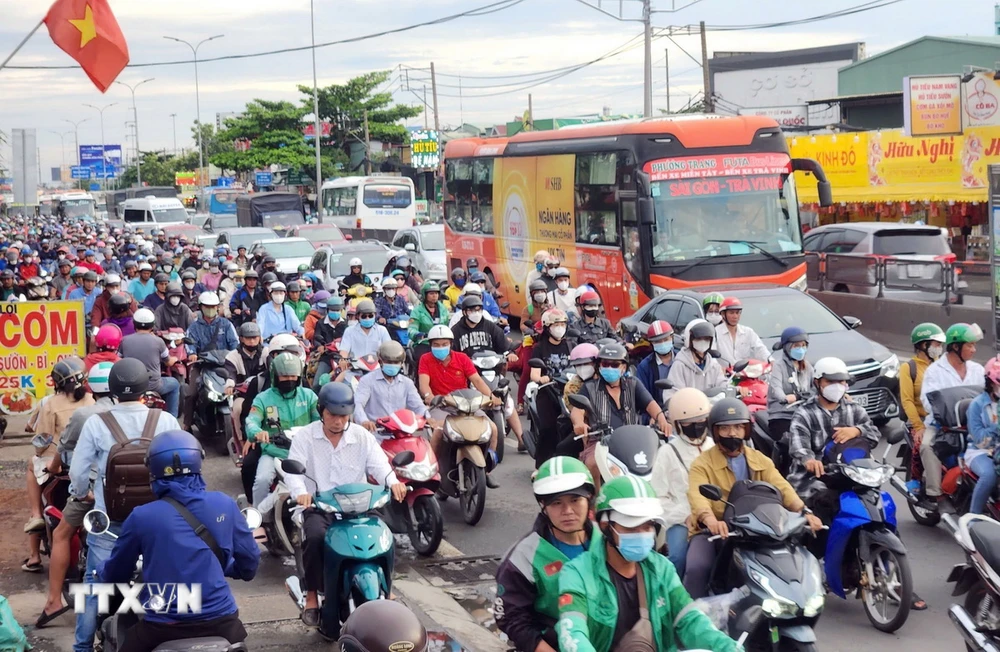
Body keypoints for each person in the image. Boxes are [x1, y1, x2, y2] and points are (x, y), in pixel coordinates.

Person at [97, 430, 259, 652]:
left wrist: (102, 573)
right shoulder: (225, 504)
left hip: (163, 627)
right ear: (198, 462)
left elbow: (117, 574)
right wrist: (230, 568)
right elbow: (249, 564)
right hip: (222, 623)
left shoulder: (141, 516)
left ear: (152, 471)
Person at [68, 359, 180, 652]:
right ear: (146, 387)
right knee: (168, 577)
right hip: (157, 522)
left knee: (93, 587)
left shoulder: (96, 423)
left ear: (112, 390)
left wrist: (82, 493)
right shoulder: (165, 420)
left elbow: (78, 474)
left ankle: (81, 646)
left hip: (111, 525)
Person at [556, 475, 740, 652]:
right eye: (630, 527)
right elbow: (572, 630)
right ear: (606, 527)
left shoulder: (662, 568)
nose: (641, 533)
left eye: (647, 526)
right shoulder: (576, 573)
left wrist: (725, 646)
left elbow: (688, 618)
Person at [284, 382, 407, 633]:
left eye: (343, 415)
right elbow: (294, 470)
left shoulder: (362, 436)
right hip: (321, 507)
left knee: (384, 536)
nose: (338, 421)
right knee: (316, 538)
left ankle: (389, 589)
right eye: (332, 414)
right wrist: (302, 494)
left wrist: (393, 482)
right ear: (321, 411)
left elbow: (379, 465)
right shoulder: (305, 436)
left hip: (359, 507)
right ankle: (311, 594)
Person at [684, 398, 822, 599]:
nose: (733, 433)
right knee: (697, 567)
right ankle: (691, 620)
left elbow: (783, 488)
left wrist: (804, 511)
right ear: (715, 431)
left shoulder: (760, 459)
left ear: (746, 430)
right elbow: (698, 496)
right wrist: (711, 520)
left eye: (739, 427)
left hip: (757, 531)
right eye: (725, 428)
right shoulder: (701, 464)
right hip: (715, 532)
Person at [35, 363, 114, 627]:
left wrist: (76, 488)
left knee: (60, 534)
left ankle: (54, 600)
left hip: (98, 492)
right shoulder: (150, 415)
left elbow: (70, 456)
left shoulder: (86, 416)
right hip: (140, 491)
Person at [495, 457, 596, 652]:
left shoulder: (608, 542)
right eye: (556, 503)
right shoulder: (522, 558)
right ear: (544, 506)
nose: (567, 511)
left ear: (589, 499)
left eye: (575, 500)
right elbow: (513, 619)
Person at [22, 357, 94, 573]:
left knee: (30, 464)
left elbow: (41, 443)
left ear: (57, 382)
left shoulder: (51, 403)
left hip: (59, 463)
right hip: (91, 466)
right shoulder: (93, 400)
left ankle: (35, 522)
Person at [786, 357, 881, 504]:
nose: (837, 386)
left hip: (852, 476)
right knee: (822, 507)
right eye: (830, 382)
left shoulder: (855, 409)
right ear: (817, 383)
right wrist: (809, 460)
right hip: (813, 478)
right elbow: (799, 447)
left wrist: (857, 431)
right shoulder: (804, 413)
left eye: (841, 382)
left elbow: (874, 434)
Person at [572, 342, 670, 483]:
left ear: (624, 367)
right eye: (605, 364)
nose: (609, 368)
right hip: (601, 444)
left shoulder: (633, 384)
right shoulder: (589, 388)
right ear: (599, 366)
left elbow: (651, 404)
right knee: (593, 464)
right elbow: (577, 411)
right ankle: (596, 502)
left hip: (633, 441)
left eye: (615, 365)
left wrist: (662, 419)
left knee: (660, 461)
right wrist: (579, 423)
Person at [418, 325, 501, 487]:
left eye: (444, 344)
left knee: (493, 429)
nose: (440, 347)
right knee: (438, 433)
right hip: (441, 405)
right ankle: (432, 472)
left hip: (466, 404)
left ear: (450, 344)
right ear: (430, 345)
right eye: (436, 344)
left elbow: (477, 381)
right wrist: (430, 397)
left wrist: (491, 397)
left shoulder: (462, 358)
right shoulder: (425, 359)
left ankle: (488, 470)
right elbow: (424, 384)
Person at [920, 323, 987, 509]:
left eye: (975, 345)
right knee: (927, 447)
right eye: (970, 345)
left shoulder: (978, 370)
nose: (974, 350)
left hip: (973, 426)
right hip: (942, 425)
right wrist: (949, 412)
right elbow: (927, 401)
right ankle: (937, 496)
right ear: (955, 347)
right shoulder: (935, 371)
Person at [651, 388, 713, 577]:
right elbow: (658, 496)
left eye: (700, 421)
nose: (695, 426)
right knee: (678, 557)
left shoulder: (714, 446)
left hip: (716, 515)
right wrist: (684, 516)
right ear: (678, 424)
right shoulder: (667, 452)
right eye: (688, 423)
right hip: (682, 520)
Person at [245, 352, 320, 507]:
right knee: (262, 480)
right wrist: (257, 432)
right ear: (274, 376)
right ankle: (259, 518)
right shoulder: (263, 399)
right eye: (284, 377)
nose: (289, 380)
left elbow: (320, 420)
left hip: (305, 453)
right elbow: (251, 421)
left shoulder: (309, 396)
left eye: (293, 376)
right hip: (274, 453)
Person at [451, 295, 524, 451]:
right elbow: (452, 354)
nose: (476, 313)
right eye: (472, 310)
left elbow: (504, 346)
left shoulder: (490, 327)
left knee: (507, 398)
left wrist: (510, 353)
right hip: (469, 373)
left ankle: (521, 438)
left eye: (478, 309)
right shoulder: (456, 331)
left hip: (491, 370)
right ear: (464, 312)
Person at [900, 323, 945, 493]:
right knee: (921, 443)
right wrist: (918, 426)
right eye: (936, 344)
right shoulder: (908, 368)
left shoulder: (942, 366)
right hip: (918, 420)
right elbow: (907, 400)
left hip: (940, 418)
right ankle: (916, 480)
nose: (939, 348)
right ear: (923, 345)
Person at [183, 292, 238, 430]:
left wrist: (234, 354)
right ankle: (186, 424)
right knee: (191, 394)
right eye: (207, 306)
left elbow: (235, 344)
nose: (211, 309)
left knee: (239, 389)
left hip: (224, 365)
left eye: (214, 306)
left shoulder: (226, 324)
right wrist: (192, 354)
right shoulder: (194, 327)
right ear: (201, 307)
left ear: (218, 307)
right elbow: (190, 344)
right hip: (202, 366)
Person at [120, 308, 182, 417]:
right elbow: (168, 362)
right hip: (154, 386)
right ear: (152, 325)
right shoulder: (158, 341)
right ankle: (173, 418)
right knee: (175, 384)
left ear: (135, 324)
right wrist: (175, 358)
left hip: (130, 385)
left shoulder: (125, 340)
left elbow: (118, 360)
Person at [354, 341, 429, 430]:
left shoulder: (407, 383)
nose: (392, 365)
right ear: (380, 361)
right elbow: (357, 404)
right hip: (375, 432)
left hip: (400, 432)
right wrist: (364, 421)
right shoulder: (367, 381)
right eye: (389, 362)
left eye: (396, 362)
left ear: (402, 363)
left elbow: (418, 406)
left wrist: (427, 417)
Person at [224, 322, 267, 471]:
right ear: (241, 339)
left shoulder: (266, 353)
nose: (252, 341)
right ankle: (242, 445)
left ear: (260, 338)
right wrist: (229, 385)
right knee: (236, 410)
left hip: (264, 393)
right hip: (242, 394)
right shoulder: (233, 356)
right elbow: (230, 375)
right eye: (248, 338)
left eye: (255, 338)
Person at [767, 326, 814, 441]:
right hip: (783, 415)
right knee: (789, 441)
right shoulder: (779, 365)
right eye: (796, 346)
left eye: (803, 345)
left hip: (804, 413)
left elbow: (817, 386)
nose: (801, 349)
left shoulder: (807, 367)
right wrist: (784, 398)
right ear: (787, 347)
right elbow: (776, 387)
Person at [966, 356, 1000, 515]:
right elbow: (979, 440)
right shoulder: (977, 405)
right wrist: (996, 427)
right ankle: (973, 519)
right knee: (989, 475)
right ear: (990, 382)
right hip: (980, 452)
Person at [664, 319, 727, 401]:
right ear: (689, 340)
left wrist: (736, 389)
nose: (703, 341)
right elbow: (672, 395)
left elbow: (723, 386)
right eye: (699, 338)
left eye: (706, 339)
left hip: (711, 410)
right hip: (688, 411)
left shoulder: (714, 365)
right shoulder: (680, 365)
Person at [713, 296, 769, 368]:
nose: (735, 316)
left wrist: (771, 361)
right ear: (723, 314)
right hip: (724, 377)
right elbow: (711, 357)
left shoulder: (748, 332)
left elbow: (760, 349)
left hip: (746, 374)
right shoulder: (715, 333)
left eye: (737, 313)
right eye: (731, 313)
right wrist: (719, 369)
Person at [635, 320, 675, 405]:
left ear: (672, 338)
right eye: (658, 341)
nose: (662, 343)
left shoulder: (682, 359)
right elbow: (642, 397)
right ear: (652, 343)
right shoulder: (644, 367)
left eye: (665, 339)